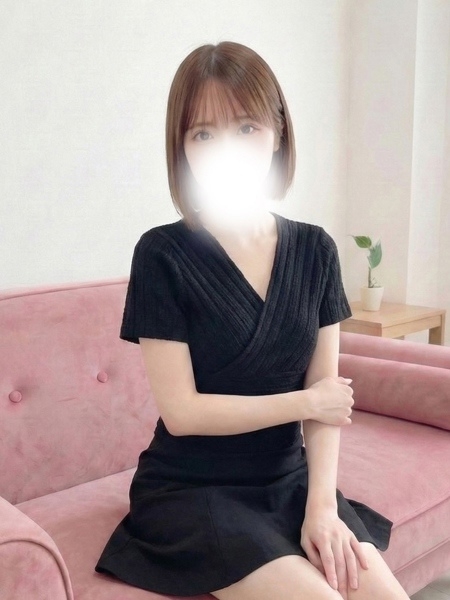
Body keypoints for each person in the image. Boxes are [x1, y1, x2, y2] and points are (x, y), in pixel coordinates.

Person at [95, 41, 408, 600]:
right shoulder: (161, 254)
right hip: (192, 489)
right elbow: (183, 413)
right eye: (203, 134)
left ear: (278, 132)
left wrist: (322, 507)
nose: (226, 150)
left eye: (246, 127)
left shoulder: (315, 249)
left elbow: (327, 398)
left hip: (288, 479)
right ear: (182, 148)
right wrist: (305, 403)